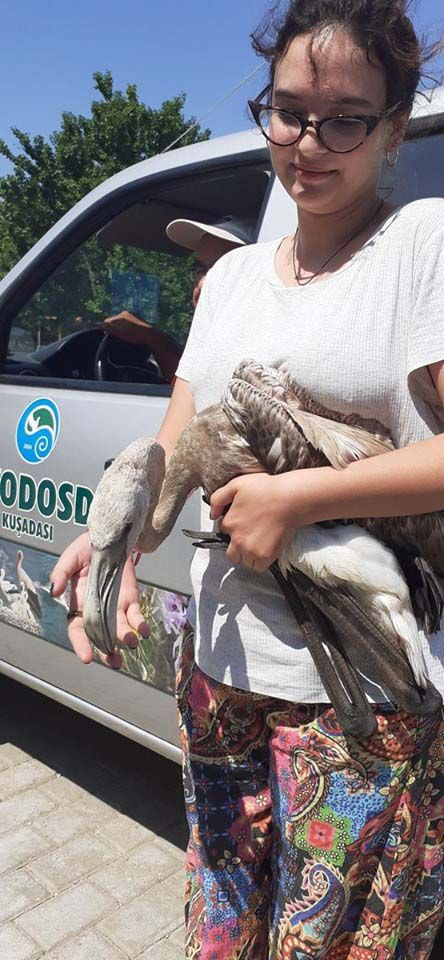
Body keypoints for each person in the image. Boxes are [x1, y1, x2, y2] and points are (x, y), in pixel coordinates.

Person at [51, 2, 444, 957]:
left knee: (332, 941)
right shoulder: (228, 283)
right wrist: (110, 546)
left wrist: (296, 498)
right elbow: (173, 452)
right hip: (220, 667)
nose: (309, 142)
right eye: (289, 110)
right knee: (224, 925)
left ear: (395, 126)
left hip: (356, 686)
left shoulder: (421, 247)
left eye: (346, 117)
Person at [100, 215, 252, 382]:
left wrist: (154, 340)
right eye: (200, 269)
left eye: (223, 269)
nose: (202, 284)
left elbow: (192, 392)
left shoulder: (254, 351)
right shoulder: (211, 341)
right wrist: (153, 338)